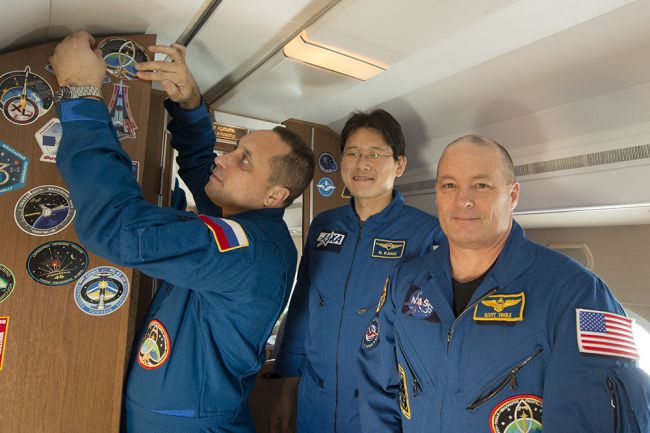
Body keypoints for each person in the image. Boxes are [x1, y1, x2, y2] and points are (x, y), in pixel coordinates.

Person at [50, 31, 315, 433]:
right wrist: (190, 105)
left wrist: (81, 94)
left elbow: (118, 228)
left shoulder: (246, 249)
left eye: (244, 160)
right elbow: (201, 165)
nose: (224, 159)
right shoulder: (246, 219)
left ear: (275, 195)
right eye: (234, 149)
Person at [356, 135, 650, 432]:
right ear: (437, 195)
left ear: (513, 195)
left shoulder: (577, 293)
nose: (463, 200)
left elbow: (593, 420)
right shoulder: (405, 282)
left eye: (481, 185)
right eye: (449, 185)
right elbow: (377, 390)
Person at [270, 110, 445, 433]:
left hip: (380, 408)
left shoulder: (427, 234)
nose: (361, 163)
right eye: (352, 153)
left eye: (375, 154)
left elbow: (435, 332)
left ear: (399, 165)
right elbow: (303, 308)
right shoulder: (324, 226)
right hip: (315, 400)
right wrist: (286, 388)